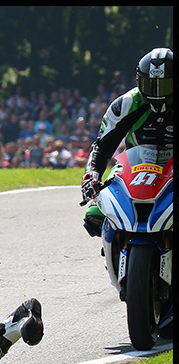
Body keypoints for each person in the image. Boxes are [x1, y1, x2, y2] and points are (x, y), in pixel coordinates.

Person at [80, 48, 173, 237]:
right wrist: (92, 175)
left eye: (164, 86)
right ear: (139, 81)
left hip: (173, 168)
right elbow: (103, 145)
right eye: (150, 85)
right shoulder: (126, 104)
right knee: (94, 215)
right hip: (136, 167)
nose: (156, 93)